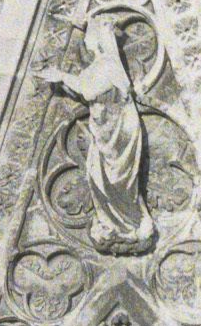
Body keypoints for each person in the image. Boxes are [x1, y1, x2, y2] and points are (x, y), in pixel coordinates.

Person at [42, 16, 156, 255]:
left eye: (89, 37)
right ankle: (114, 222)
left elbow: (89, 90)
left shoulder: (109, 64)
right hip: (104, 130)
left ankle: (130, 223)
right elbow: (84, 87)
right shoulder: (100, 64)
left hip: (118, 132)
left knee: (116, 179)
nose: (87, 41)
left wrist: (62, 76)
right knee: (98, 176)